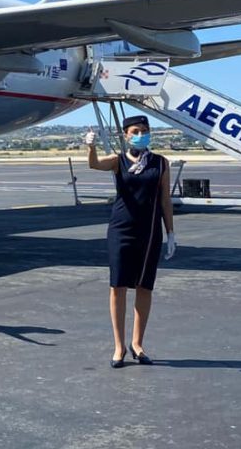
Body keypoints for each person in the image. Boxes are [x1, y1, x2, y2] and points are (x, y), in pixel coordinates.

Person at [85, 115, 176, 368]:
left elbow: (165, 200)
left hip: (149, 231)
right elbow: (94, 165)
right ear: (125, 135)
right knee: (118, 286)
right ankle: (119, 346)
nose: (141, 135)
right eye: (136, 131)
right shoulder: (119, 161)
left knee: (144, 286)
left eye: (145, 131)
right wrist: (91, 147)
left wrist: (171, 232)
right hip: (121, 229)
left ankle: (138, 343)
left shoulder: (160, 163)